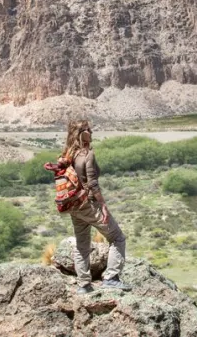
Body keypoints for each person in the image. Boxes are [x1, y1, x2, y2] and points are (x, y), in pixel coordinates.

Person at [63, 119, 131, 293]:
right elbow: (92, 184)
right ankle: (111, 278)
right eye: (88, 130)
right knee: (117, 238)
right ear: (82, 133)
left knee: (82, 245)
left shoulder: (68, 154)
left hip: (75, 206)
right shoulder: (87, 154)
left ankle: (84, 285)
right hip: (89, 204)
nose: (92, 132)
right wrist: (104, 207)